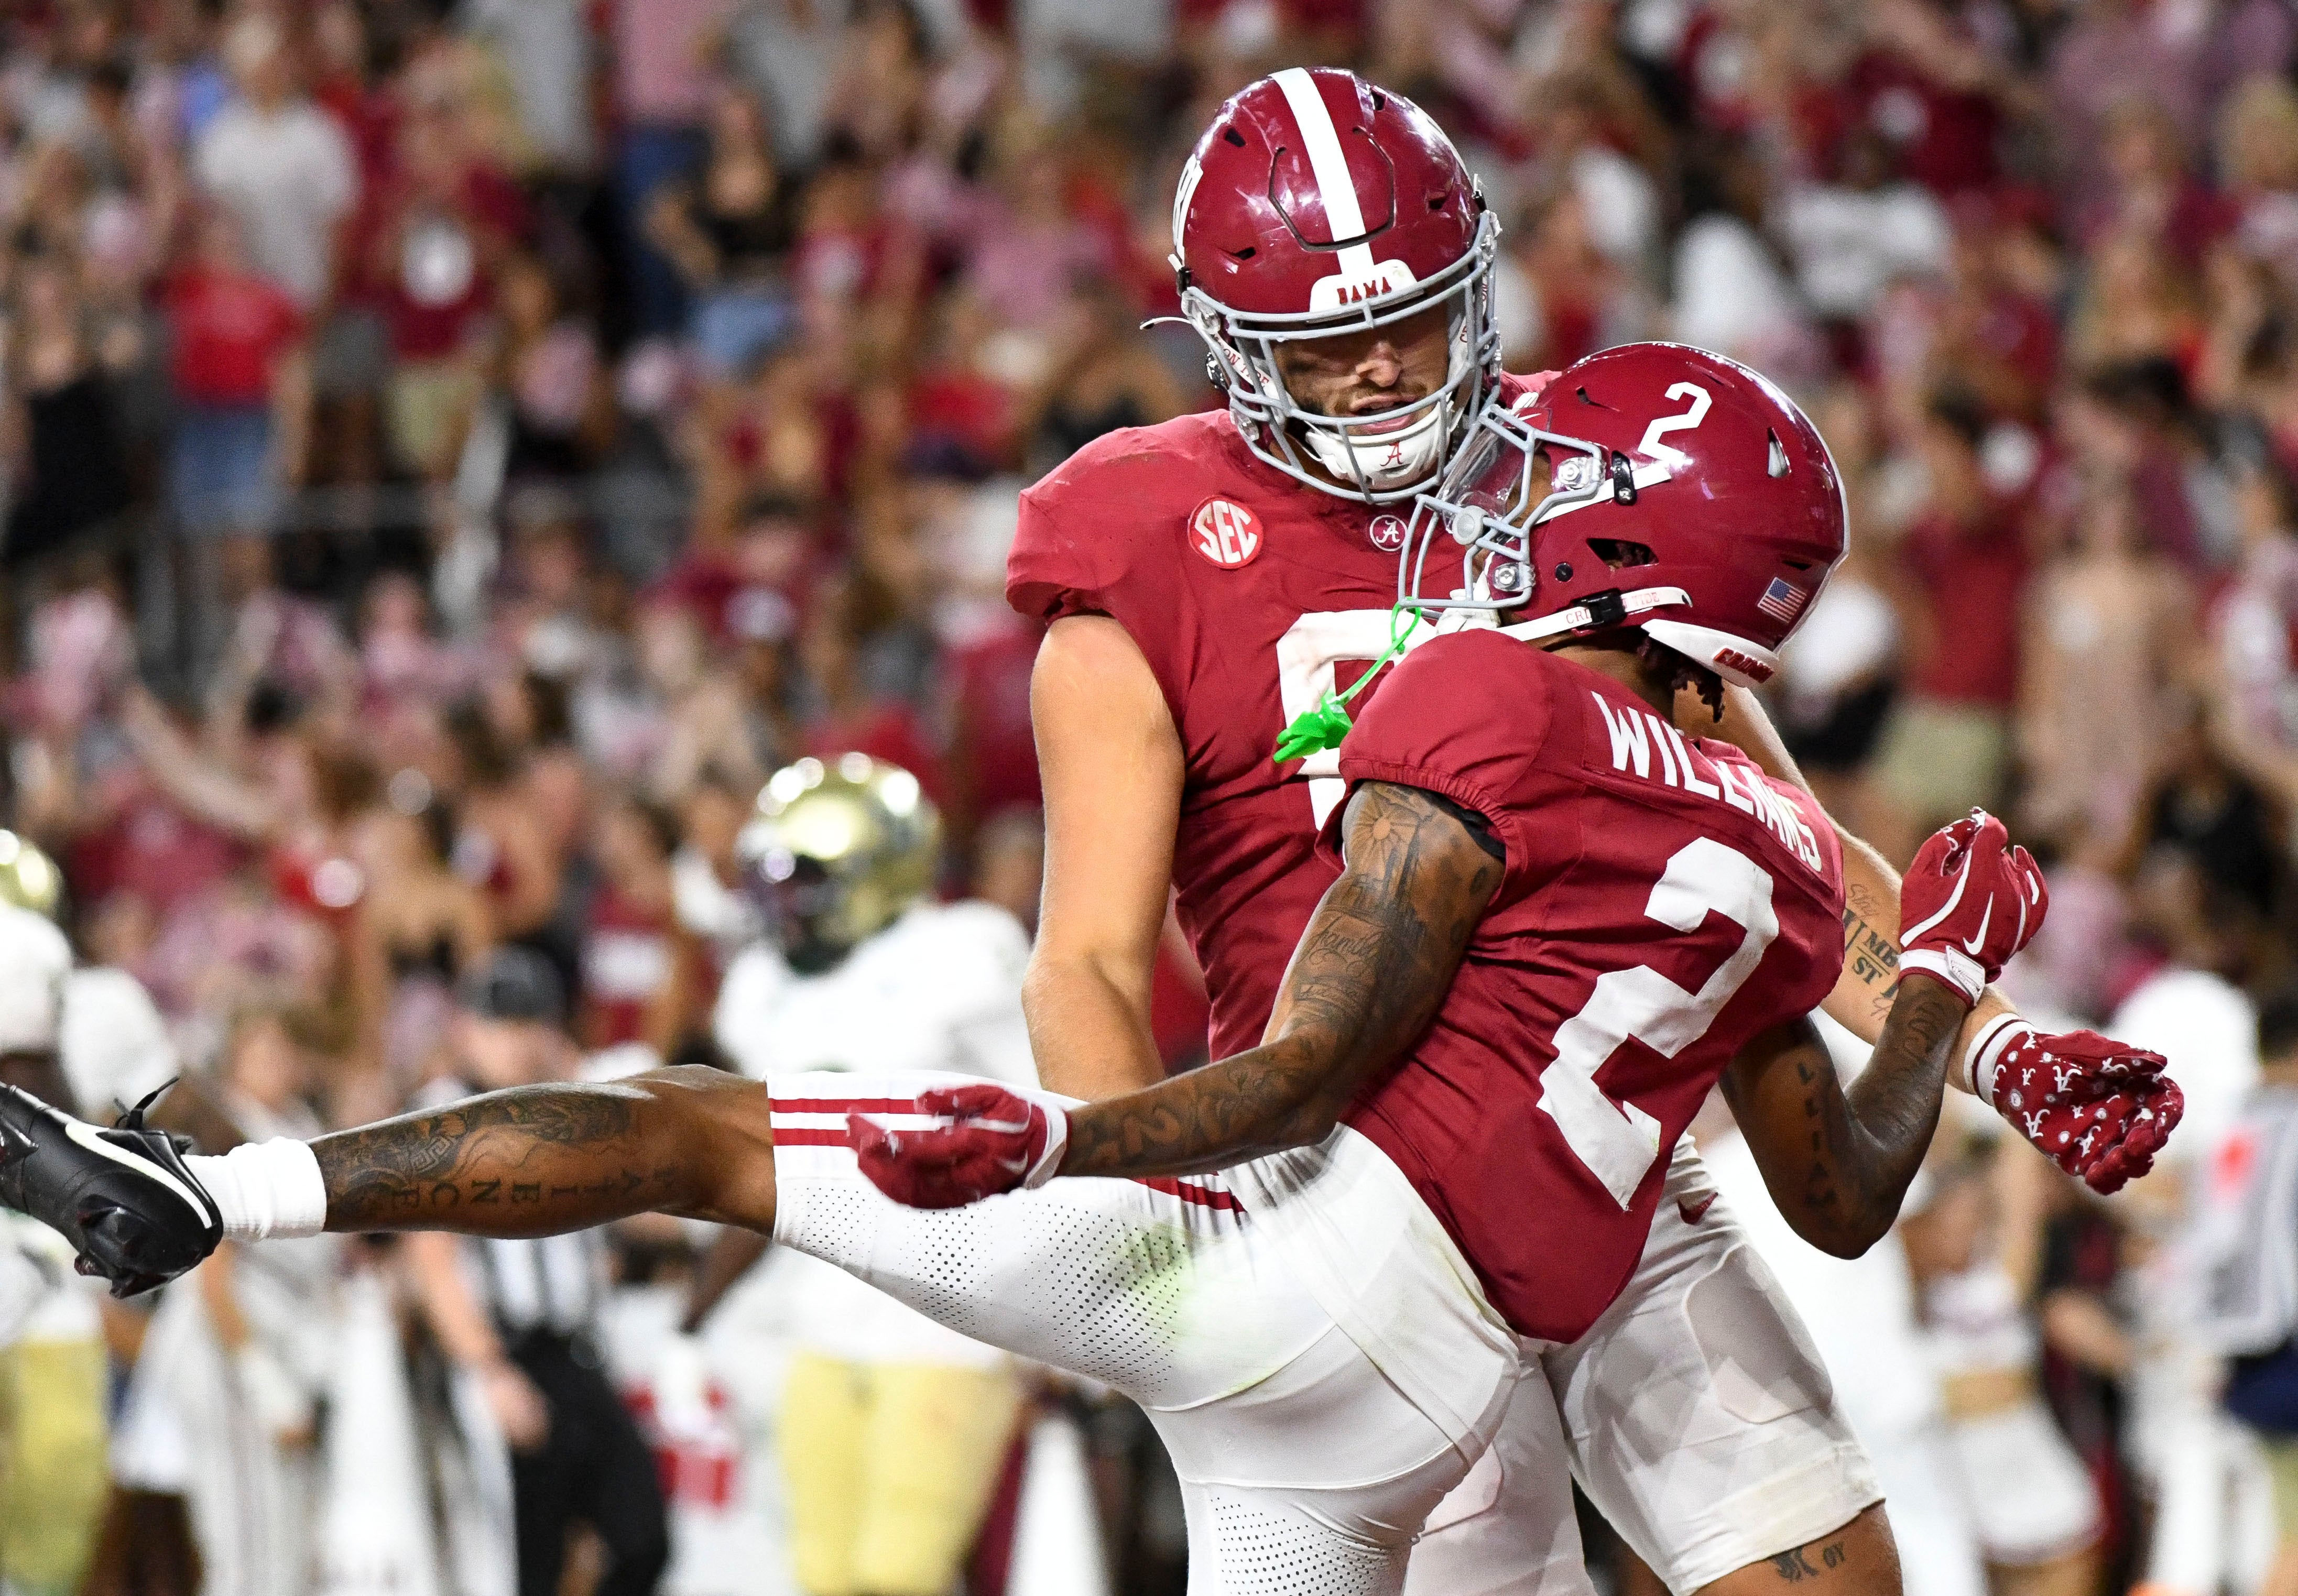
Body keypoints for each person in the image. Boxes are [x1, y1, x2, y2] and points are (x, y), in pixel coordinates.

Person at [0, 356, 2179, 1594]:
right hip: (1496, 1318)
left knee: (690, 1122)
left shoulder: (1481, 698)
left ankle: (219, 1187)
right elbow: (1837, 1136)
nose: (1465, 441)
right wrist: (1964, 995)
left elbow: (1304, 1057)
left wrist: (1068, 1131)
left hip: (1290, 1245)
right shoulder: (1777, 854)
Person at [1005, 68, 2171, 1596]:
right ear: (1231, 343)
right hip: (1344, 1182)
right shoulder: (1142, 539)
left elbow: (1779, 833)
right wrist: (1162, 1259)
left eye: (1407, 321)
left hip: (1614, 1145)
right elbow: (1083, 960)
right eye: (1325, 342)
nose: (1371, 374)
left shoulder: (1591, 467)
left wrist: (1995, 1044)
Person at [694, 753, 1074, 1596]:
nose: (785, 908)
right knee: (822, 1575)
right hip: (819, 1313)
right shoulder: (760, 987)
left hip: (950, 1313)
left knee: (900, 1572)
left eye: (807, 883)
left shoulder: (963, 953)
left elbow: (1055, 1119)